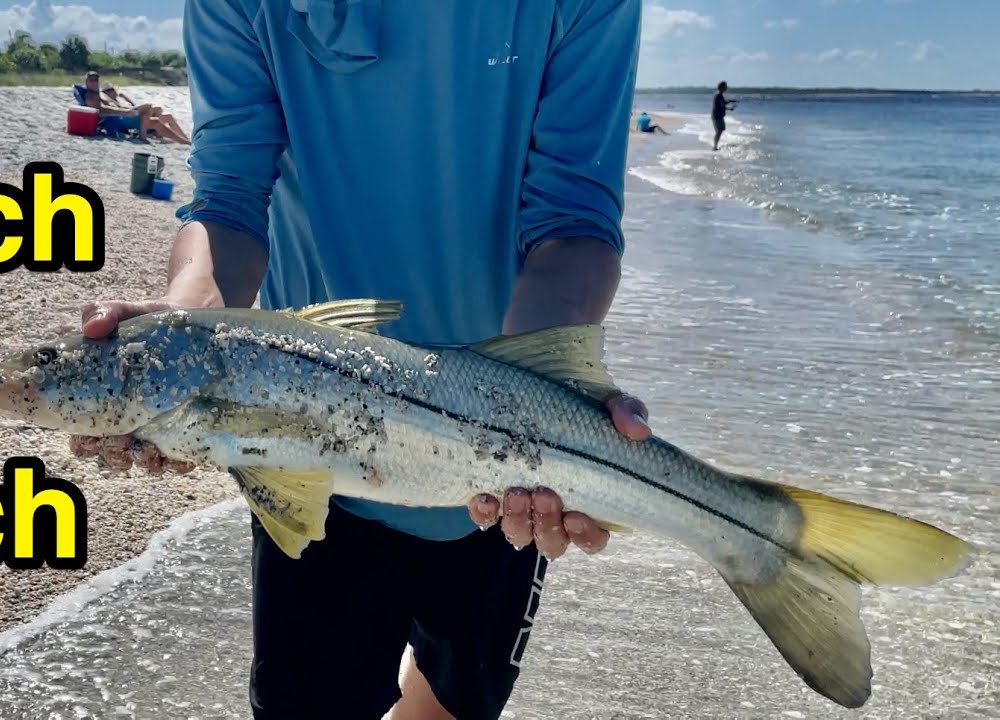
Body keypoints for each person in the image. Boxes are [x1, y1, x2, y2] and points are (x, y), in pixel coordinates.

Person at [70, 1, 652, 718]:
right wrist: (187, 331)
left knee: (455, 704)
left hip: (506, 460)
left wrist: (546, 387)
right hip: (303, 448)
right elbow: (228, 196)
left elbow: (574, 217)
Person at [78, 70, 191, 145]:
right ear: (86, 82)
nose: (94, 82)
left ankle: (185, 141)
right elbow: (101, 111)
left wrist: (123, 107)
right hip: (120, 118)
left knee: (163, 118)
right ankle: (143, 137)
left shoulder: (98, 94)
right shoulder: (91, 96)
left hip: (123, 116)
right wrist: (124, 111)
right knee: (148, 107)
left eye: (96, 80)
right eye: (91, 80)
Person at [711, 81, 737, 150]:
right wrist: (730, 104)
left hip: (718, 116)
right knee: (719, 131)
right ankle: (715, 147)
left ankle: (715, 146)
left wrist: (730, 105)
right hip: (717, 116)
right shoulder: (718, 95)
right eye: (725, 87)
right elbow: (722, 104)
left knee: (720, 130)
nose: (726, 88)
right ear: (722, 87)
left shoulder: (719, 95)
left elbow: (722, 105)